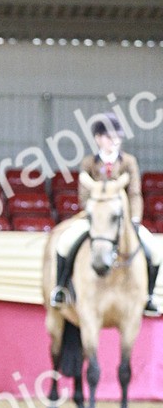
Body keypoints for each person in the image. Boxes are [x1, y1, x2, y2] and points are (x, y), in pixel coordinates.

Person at [50, 112, 160, 316]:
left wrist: (135, 218)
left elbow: (135, 193)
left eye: (117, 137)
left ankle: (149, 296)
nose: (115, 141)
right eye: (110, 137)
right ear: (98, 139)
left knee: (153, 250)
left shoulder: (128, 162)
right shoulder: (89, 163)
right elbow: (83, 195)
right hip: (95, 218)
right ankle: (61, 288)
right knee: (65, 242)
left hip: (122, 220)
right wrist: (93, 213)